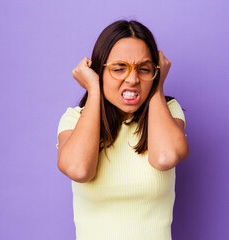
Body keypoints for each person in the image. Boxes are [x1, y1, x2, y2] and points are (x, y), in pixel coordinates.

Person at [56, 20, 189, 240]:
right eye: (119, 69)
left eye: (144, 69)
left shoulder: (168, 111)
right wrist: (94, 90)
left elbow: (166, 157)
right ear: (99, 71)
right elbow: (79, 170)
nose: (133, 79)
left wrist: (157, 87)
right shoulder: (74, 119)